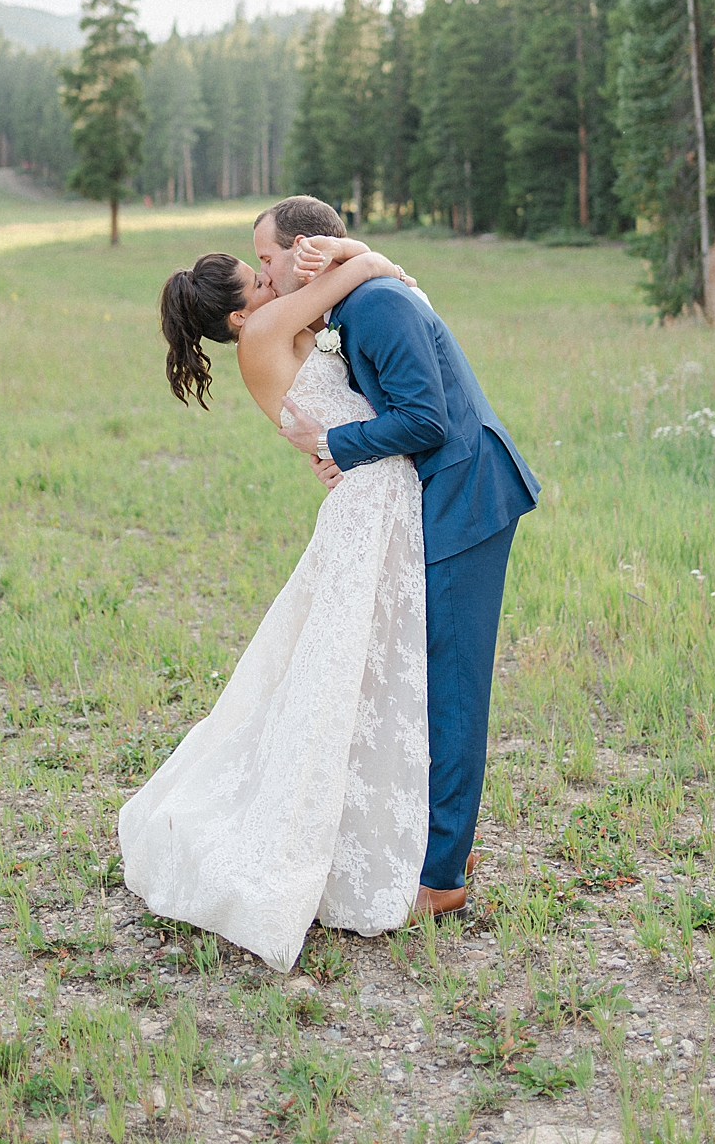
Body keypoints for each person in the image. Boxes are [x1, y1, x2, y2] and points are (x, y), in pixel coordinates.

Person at [119, 239, 429, 971]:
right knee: (347, 667)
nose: (274, 282)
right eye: (261, 279)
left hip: (362, 490)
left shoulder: (267, 333)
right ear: (234, 317)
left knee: (350, 663)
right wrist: (354, 253)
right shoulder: (262, 330)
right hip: (369, 493)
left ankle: (372, 827)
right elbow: (363, 272)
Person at [254, 196, 539, 916]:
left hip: (467, 494)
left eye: (266, 257)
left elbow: (426, 418)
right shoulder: (353, 308)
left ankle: (443, 880)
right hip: (440, 496)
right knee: (434, 677)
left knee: (452, 686)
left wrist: (336, 446)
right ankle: (448, 845)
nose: (263, 272)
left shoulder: (377, 306)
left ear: (306, 251)